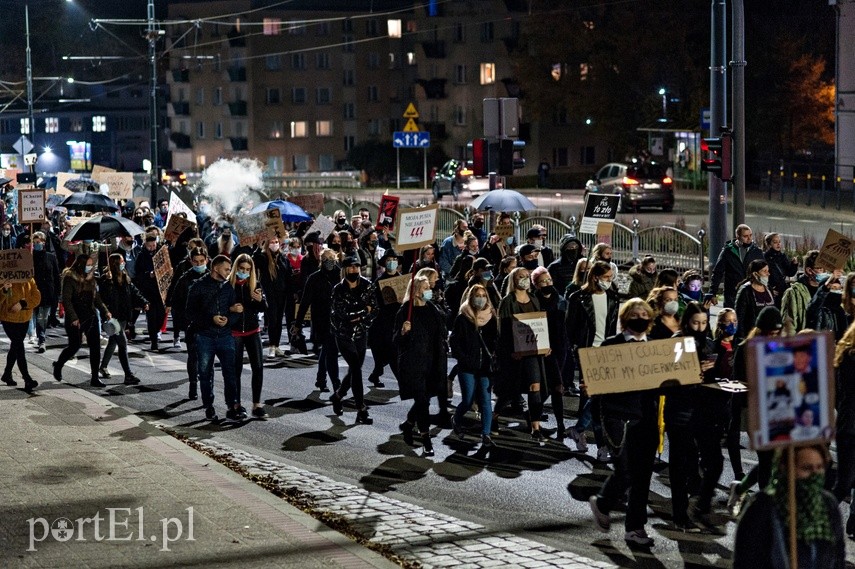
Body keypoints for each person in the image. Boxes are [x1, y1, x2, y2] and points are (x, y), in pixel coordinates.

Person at [587, 298, 660, 548]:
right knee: (626, 471)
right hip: (617, 416)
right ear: (626, 318)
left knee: (642, 476)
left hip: (646, 418)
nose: (640, 316)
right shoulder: (611, 345)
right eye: (635, 313)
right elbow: (598, 386)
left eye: (644, 313)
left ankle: (635, 528)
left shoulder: (655, 349)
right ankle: (604, 502)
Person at [665, 302, 726, 531]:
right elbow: (668, 377)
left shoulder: (708, 343)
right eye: (695, 323)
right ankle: (680, 516)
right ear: (686, 322)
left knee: (715, 461)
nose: (700, 327)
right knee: (680, 466)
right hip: (680, 411)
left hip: (704, 411)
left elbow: (714, 378)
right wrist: (691, 371)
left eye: (703, 323)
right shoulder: (677, 342)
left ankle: (701, 506)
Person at [733, 444, 845, 569]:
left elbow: (838, 557)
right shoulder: (763, 506)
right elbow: (745, 561)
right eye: (807, 468)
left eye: (819, 467)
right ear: (786, 468)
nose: (815, 475)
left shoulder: (828, 505)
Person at [565, 261, 619, 458]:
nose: (609, 281)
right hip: (587, 352)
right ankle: (602, 446)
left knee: (597, 399)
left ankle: (578, 430)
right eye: (606, 278)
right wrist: (576, 353)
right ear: (596, 277)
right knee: (595, 398)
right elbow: (570, 328)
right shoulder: (578, 298)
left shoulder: (613, 297)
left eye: (611, 278)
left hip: (605, 353)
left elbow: (611, 328)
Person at [394, 275, 448, 456]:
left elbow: (441, 331)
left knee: (424, 399)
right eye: (425, 287)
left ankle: (409, 425)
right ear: (416, 290)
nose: (429, 290)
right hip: (414, 363)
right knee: (422, 401)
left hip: (432, 363)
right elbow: (396, 340)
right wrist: (403, 332)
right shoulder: (405, 312)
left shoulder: (433, 309)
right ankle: (426, 438)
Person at [494, 266, 550, 441]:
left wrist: (545, 345)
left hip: (532, 353)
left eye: (527, 276)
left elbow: (540, 323)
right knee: (510, 391)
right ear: (514, 280)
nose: (525, 279)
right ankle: (494, 417)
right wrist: (509, 352)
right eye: (521, 276)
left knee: (535, 387)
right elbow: (502, 332)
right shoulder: (507, 301)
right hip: (515, 354)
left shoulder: (534, 299)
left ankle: (535, 427)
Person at [185, 255, 242, 422]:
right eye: (226, 269)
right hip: (205, 336)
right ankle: (208, 406)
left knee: (230, 373)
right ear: (216, 268)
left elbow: (236, 312)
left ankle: (232, 405)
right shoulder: (198, 287)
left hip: (225, 336)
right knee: (205, 373)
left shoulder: (228, 287)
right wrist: (211, 319)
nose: (229, 272)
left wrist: (228, 321)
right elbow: (189, 313)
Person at [329, 256, 378, 424]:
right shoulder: (338, 289)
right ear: (345, 270)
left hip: (361, 334)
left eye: (356, 267)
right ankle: (361, 409)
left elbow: (375, 309)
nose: (354, 271)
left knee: (353, 371)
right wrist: (363, 311)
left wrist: (361, 316)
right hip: (343, 335)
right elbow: (342, 314)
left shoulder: (367, 286)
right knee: (356, 369)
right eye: (351, 268)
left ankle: (338, 396)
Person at [53, 254, 112, 388]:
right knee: (74, 345)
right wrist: (73, 317)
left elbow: (97, 299)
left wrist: (105, 311)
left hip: (90, 316)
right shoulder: (70, 278)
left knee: (95, 347)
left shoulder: (92, 279)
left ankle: (95, 377)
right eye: (88, 264)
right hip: (76, 317)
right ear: (81, 264)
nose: (91, 267)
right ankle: (59, 364)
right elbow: (66, 300)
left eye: (92, 265)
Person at [449, 284, 497, 448]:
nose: (481, 298)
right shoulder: (463, 317)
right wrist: (465, 359)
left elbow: (496, 341)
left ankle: (486, 434)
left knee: (485, 401)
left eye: (484, 295)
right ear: (471, 297)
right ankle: (456, 418)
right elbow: (454, 342)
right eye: (478, 295)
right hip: (468, 367)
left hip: (485, 367)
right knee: (468, 400)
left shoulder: (491, 317)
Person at [98, 254, 149, 385]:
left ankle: (103, 366)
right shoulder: (106, 279)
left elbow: (133, 291)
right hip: (113, 317)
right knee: (122, 344)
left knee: (112, 342)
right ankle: (128, 374)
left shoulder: (125, 276)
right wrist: (108, 282)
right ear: (115, 263)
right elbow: (104, 297)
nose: (124, 263)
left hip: (124, 315)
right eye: (121, 261)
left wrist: (143, 302)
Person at [229, 254, 268, 419]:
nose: (244, 272)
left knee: (258, 367)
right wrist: (231, 309)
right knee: (235, 369)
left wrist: (260, 300)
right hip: (235, 331)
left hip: (252, 330)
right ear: (236, 268)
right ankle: (236, 405)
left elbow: (265, 307)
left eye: (247, 269)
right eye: (241, 269)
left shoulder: (255, 284)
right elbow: (220, 305)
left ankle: (257, 405)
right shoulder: (228, 285)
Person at [295, 249, 341, 392]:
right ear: (321, 260)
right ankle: (336, 383)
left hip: (338, 319)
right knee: (330, 349)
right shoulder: (314, 278)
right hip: (321, 320)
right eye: (326, 259)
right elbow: (305, 302)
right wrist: (298, 323)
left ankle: (321, 379)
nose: (330, 261)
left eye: (332, 258)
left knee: (328, 350)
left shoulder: (340, 275)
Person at [532, 266, 567, 438]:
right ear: (536, 284)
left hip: (560, 347)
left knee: (555, 387)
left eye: (549, 280)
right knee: (553, 386)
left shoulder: (560, 300)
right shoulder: (534, 301)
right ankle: (552, 423)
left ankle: (558, 423)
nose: (547, 283)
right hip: (543, 348)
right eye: (543, 281)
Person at [367, 248, 404, 388]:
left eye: (394, 260)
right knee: (391, 353)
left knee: (391, 354)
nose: (392, 263)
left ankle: (375, 374)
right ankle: (402, 382)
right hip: (383, 323)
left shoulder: (402, 280)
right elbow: (375, 303)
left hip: (397, 321)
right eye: (389, 260)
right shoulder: (378, 282)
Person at [254, 235, 292, 358]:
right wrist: (258, 247)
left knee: (279, 320)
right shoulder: (263, 257)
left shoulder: (283, 258)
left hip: (282, 294)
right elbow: (255, 261)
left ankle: (276, 345)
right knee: (273, 320)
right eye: (272, 242)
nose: (274, 244)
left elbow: (288, 274)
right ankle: (271, 346)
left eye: (276, 241)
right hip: (269, 293)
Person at [0, 277, 41, 393]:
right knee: (19, 346)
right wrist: (5, 290)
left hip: (24, 318)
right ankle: (27, 378)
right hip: (8, 318)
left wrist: (23, 303)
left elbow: (36, 297)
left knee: (15, 346)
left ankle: (7, 374)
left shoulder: (29, 279)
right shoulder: (3, 278)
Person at [709, 224, 765, 308]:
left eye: (750, 235)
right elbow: (718, 272)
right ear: (738, 236)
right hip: (732, 293)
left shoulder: (756, 252)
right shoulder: (728, 251)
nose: (749, 238)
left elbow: (764, 272)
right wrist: (712, 292)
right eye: (745, 236)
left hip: (751, 293)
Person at [132, 235, 166, 351]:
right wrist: (149, 274)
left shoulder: (161, 254)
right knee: (151, 316)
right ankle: (153, 340)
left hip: (160, 290)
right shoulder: (141, 256)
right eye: (149, 246)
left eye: (153, 245)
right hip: (148, 291)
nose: (152, 248)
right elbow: (138, 274)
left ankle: (156, 331)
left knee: (161, 315)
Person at [31, 231, 60, 354]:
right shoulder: (30, 258)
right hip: (35, 291)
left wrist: (57, 293)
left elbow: (56, 276)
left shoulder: (51, 257)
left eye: (40, 242)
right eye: (35, 242)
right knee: (38, 317)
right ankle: (41, 339)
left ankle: (41, 337)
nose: (38, 244)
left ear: (44, 242)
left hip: (48, 292)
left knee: (44, 316)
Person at [781, 250, 824, 332]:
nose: (823, 272)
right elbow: (789, 324)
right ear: (809, 270)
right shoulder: (794, 293)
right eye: (819, 268)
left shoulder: (826, 290)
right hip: (804, 339)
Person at [734, 259, 776, 339]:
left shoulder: (768, 289)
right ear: (755, 274)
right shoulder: (745, 291)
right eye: (765, 271)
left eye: (768, 271)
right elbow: (739, 317)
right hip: (752, 337)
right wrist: (742, 339)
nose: (768, 274)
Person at [806, 269, 847, 340]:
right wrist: (825, 288)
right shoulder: (819, 310)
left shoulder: (841, 311)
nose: (836, 291)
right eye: (833, 288)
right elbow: (815, 303)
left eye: (838, 289)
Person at [764, 232, 798, 306]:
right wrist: (769, 289)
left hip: (782, 288)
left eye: (779, 242)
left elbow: (790, 273)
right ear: (769, 244)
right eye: (775, 242)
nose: (778, 244)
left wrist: (794, 264)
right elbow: (763, 276)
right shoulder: (765, 257)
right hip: (773, 289)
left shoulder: (782, 256)